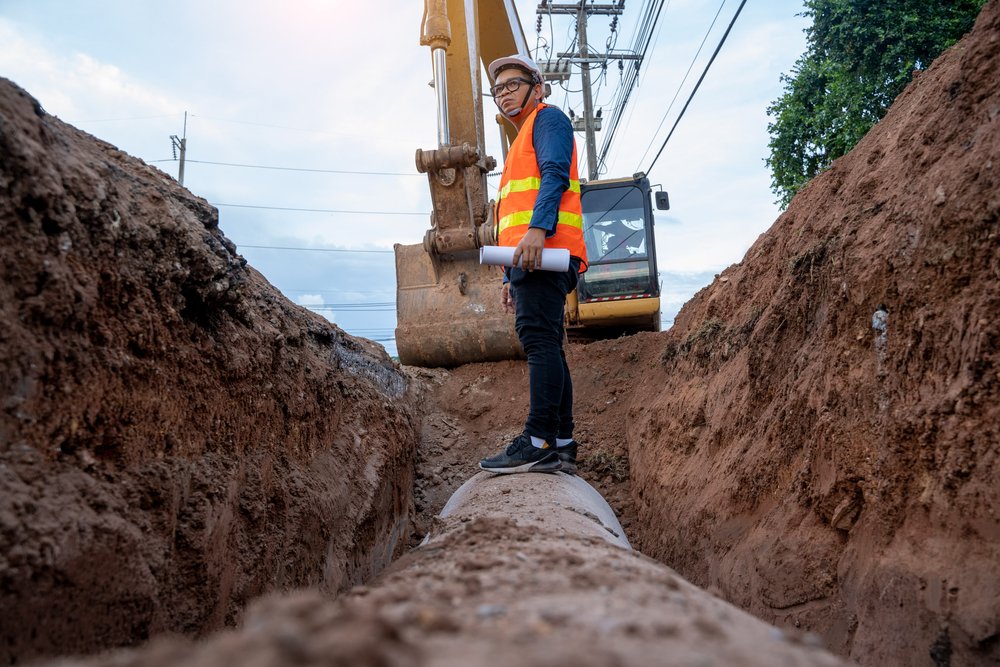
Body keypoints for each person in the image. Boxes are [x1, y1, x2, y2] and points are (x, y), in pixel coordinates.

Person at [478, 54, 588, 475]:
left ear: (537, 88)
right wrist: (509, 276)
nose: (504, 92)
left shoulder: (548, 120)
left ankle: (538, 440)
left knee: (539, 341)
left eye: (512, 84)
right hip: (531, 259)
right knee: (548, 344)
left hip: (546, 252)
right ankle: (560, 443)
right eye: (498, 88)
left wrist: (539, 230)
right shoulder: (524, 137)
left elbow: (556, 175)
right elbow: (514, 217)